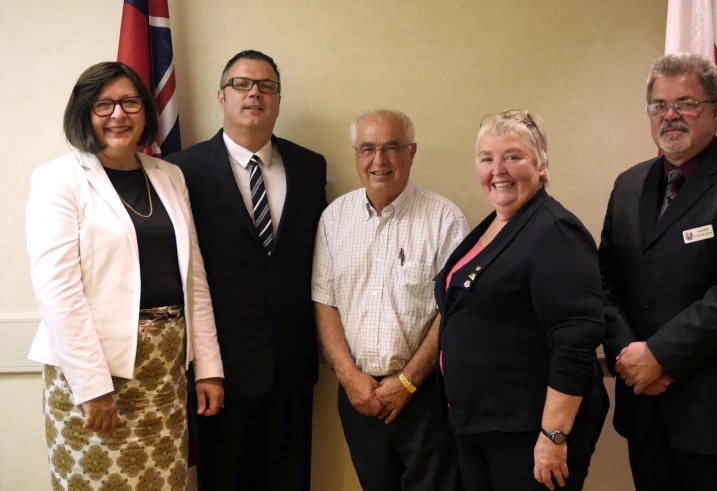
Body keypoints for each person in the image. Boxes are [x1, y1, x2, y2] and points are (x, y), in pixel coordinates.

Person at [26, 61, 224, 491]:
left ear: (146, 112)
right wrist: (93, 387)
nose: (119, 114)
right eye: (104, 105)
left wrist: (208, 367)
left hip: (164, 377)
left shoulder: (169, 176)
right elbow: (58, 292)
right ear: (85, 113)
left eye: (130, 102)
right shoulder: (58, 180)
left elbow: (194, 277)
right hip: (94, 373)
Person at [599, 53, 717, 491]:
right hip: (644, 407)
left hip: (715, 415)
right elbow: (604, 281)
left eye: (686, 102)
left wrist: (659, 356)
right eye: (658, 105)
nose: (670, 116)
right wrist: (628, 356)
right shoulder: (629, 185)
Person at [165, 50, 327, 490]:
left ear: (278, 100)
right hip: (221, 370)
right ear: (221, 97)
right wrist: (204, 367)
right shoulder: (182, 170)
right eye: (242, 84)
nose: (255, 92)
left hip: (292, 365)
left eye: (267, 86)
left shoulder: (311, 167)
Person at [435, 110, 608, 491]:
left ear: (542, 164)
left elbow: (575, 341)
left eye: (513, 156)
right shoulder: (498, 222)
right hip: (482, 424)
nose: (499, 169)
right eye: (487, 158)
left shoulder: (554, 230)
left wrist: (554, 437)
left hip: (528, 431)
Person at [313, 109, 468, 491]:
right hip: (358, 397)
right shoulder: (334, 219)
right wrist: (350, 378)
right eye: (367, 149)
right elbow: (324, 302)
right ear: (356, 154)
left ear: (411, 152)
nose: (378, 161)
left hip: (425, 396)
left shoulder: (445, 219)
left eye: (391, 148)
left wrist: (408, 381)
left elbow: (452, 312)